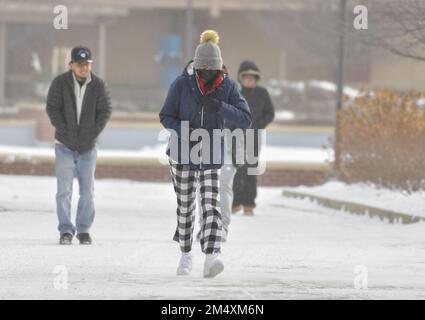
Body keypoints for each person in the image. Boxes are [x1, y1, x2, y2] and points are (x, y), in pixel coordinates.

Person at [159, 30, 251, 278]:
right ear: (196, 67)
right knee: (186, 206)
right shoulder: (181, 84)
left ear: (220, 69)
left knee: (211, 205)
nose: (207, 76)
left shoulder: (227, 86)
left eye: (213, 72)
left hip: (211, 153)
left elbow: (246, 118)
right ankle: (186, 254)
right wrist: (185, 132)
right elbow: (165, 115)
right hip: (182, 154)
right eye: (203, 71)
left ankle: (212, 256)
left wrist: (221, 107)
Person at [46, 46, 112, 245]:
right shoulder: (60, 83)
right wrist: (65, 131)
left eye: (87, 64)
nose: (84, 68)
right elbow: (52, 108)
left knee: (87, 191)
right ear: (71, 65)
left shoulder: (98, 85)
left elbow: (105, 110)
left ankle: (83, 230)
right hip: (64, 145)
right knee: (64, 191)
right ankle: (66, 230)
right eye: (80, 64)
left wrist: (92, 132)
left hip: (88, 147)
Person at [232, 60, 275, 216]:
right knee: (237, 170)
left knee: (250, 170)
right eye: (246, 78)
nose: (249, 81)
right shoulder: (235, 94)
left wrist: (259, 125)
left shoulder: (262, 94)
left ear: (256, 79)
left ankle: (249, 203)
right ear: (241, 78)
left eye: (252, 78)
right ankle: (235, 202)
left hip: (253, 138)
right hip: (236, 138)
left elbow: (269, 113)